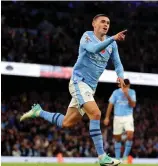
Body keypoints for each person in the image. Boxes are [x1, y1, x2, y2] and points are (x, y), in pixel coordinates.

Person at [20, 14, 128, 166]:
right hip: (78, 81)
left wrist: (120, 76)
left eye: (108, 23)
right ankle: (102, 156)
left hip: (91, 87)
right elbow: (93, 49)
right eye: (102, 21)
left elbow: (118, 63)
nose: (106, 24)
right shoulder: (87, 37)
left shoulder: (112, 44)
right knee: (96, 113)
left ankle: (38, 111)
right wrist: (113, 38)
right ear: (94, 23)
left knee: (67, 123)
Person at [103, 79, 136, 164]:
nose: (125, 87)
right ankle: (117, 159)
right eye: (124, 86)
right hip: (117, 117)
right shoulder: (116, 93)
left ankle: (124, 157)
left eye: (127, 86)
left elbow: (133, 105)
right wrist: (107, 117)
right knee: (117, 139)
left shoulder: (132, 92)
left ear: (129, 86)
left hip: (128, 116)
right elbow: (110, 105)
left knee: (130, 135)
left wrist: (127, 95)